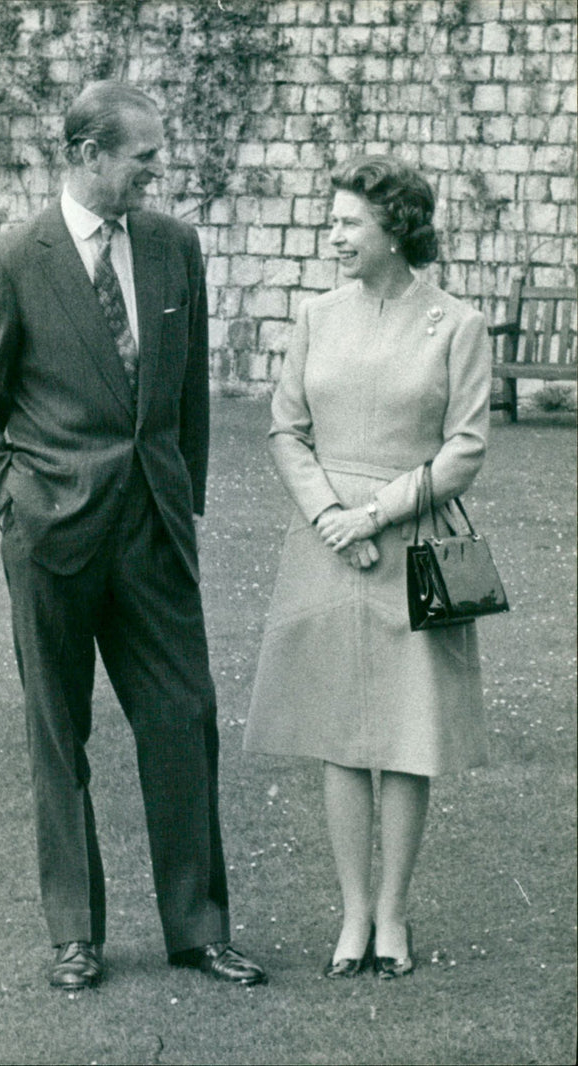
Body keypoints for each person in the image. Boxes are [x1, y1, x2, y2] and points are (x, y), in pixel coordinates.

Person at [0, 81, 266, 991]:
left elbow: (188, 393)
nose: (157, 173)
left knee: (185, 719)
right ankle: (75, 935)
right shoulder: (11, 261)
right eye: (144, 158)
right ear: (88, 154)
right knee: (60, 733)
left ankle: (199, 928)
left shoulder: (174, 248)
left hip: (154, 534)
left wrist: (182, 497)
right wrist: (12, 504)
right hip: (50, 537)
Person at [244, 154, 492, 979]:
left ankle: (393, 915)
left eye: (350, 222)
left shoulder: (456, 325)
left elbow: (464, 450)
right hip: (326, 551)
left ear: (396, 230)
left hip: (414, 545)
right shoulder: (316, 316)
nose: (335, 234)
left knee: (409, 734)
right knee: (340, 735)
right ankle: (352, 915)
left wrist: (375, 514)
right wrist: (328, 518)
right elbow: (287, 429)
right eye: (336, 220)